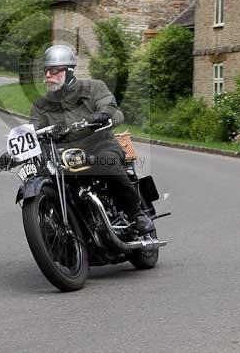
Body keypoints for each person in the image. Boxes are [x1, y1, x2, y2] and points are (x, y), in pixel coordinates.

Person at [28, 44, 154, 234]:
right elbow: (32, 130)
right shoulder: (41, 105)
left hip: (99, 146)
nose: (47, 76)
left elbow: (112, 109)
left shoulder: (94, 88)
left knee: (107, 163)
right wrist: (18, 147)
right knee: (44, 177)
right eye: (46, 71)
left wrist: (102, 116)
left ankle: (136, 214)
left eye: (54, 71)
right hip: (64, 157)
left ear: (69, 72)